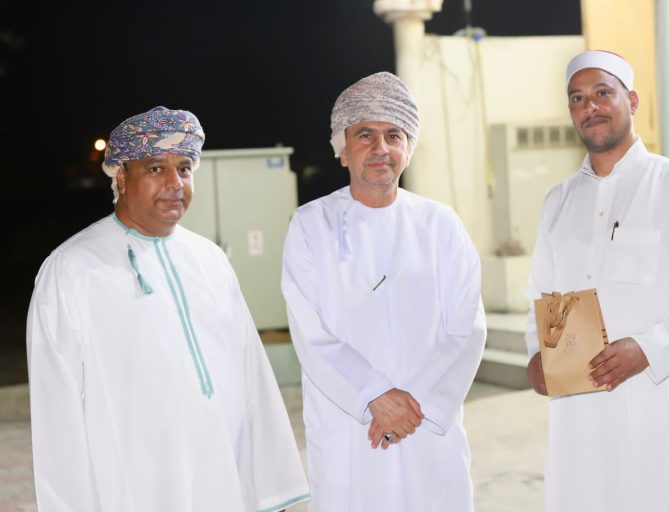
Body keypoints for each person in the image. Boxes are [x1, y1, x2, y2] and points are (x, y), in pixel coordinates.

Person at [26, 106, 309, 512]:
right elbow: (57, 415)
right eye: (156, 168)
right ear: (122, 177)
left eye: (185, 169)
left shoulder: (210, 260)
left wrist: (272, 490)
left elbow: (254, 380)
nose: (175, 184)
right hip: (132, 491)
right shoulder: (71, 270)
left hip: (223, 483)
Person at [525, 51, 669, 511]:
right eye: (577, 98)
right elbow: (540, 296)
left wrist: (649, 348)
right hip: (580, 417)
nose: (590, 106)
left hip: (660, 410)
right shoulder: (557, 202)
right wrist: (535, 354)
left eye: (603, 92)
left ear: (633, 100)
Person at [281, 72, 487, 511]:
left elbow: (466, 328)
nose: (380, 148)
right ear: (342, 149)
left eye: (394, 135)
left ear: (408, 149)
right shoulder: (310, 225)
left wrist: (415, 406)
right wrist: (373, 396)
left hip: (426, 425)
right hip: (351, 428)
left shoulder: (441, 225)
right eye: (365, 135)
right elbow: (310, 333)